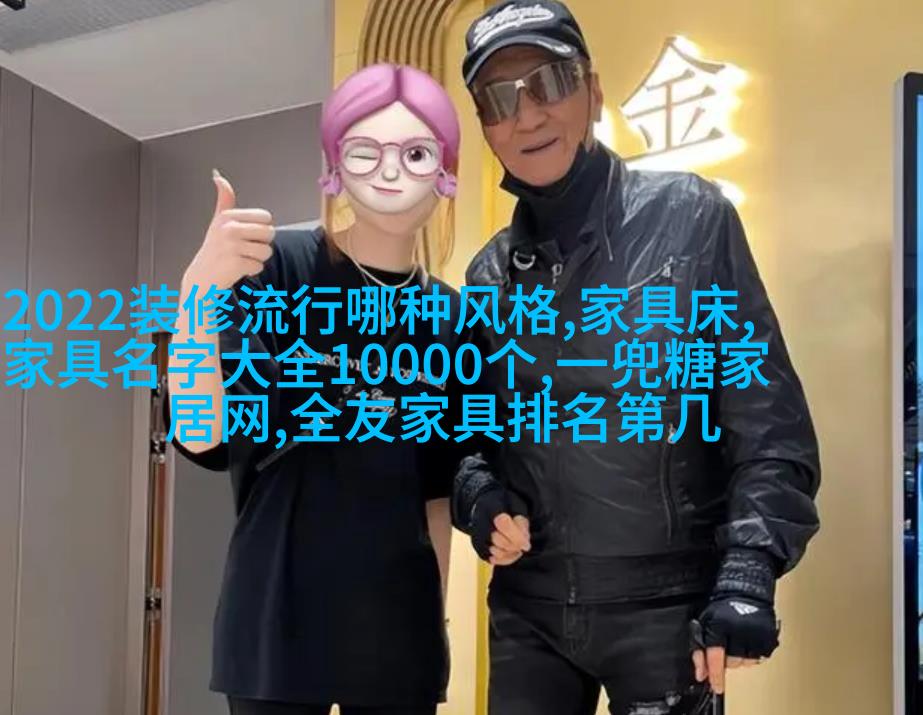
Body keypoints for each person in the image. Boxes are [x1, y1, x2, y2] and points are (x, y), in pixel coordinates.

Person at [450, 2, 822, 714]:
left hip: (665, 609)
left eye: (548, 83)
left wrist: (748, 569)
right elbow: (473, 436)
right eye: (499, 99)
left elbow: (767, 421)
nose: (527, 116)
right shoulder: (488, 274)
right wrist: (479, 497)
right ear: (485, 127)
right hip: (528, 611)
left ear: (591, 90)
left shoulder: (691, 217)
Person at [164, 63, 464, 715]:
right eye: (366, 152)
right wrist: (196, 295)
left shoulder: (450, 317)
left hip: (397, 637)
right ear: (335, 166)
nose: (390, 172)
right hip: (276, 624)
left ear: (446, 173)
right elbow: (201, 432)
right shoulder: (279, 270)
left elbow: (436, 498)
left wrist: (433, 625)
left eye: (415, 153)